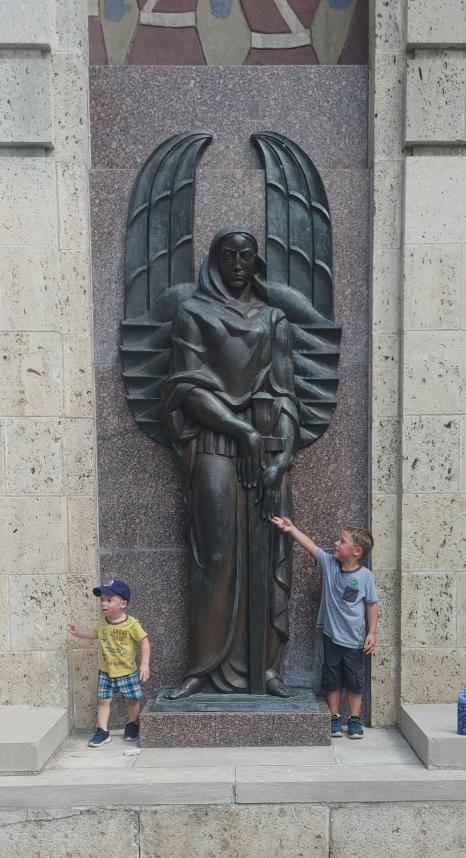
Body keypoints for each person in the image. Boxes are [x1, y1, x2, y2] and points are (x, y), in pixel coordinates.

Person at [160, 226, 300, 698]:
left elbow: (285, 395)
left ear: (255, 262)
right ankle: (201, 667)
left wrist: (279, 456)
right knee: (214, 556)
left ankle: (266, 668)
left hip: (265, 450)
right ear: (215, 260)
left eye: (246, 255)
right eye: (228, 254)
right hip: (216, 447)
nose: (237, 263)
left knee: (268, 553)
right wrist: (239, 431)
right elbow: (187, 388)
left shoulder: (274, 319)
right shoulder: (192, 313)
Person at [271, 519, 378, 738]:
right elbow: (310, 545)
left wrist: (372, 632)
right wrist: (291, 529)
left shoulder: (365, 577)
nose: (335, 544)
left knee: (355, 681)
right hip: (331, 638)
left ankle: (355, 719)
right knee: (332, 679)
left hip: (355, 641)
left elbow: (371, 604)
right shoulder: (329, 564)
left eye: (342, 541)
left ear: (356, 551)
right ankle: (334, 716)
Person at [68, 579, 150, 747]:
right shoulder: (102, 621)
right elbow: (95, 634)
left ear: (123, 603)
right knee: (103, 701)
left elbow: (145, 641)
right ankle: (102, 731)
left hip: (127, 671)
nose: (103, 604)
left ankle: (132, 723)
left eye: (109, 600)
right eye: (102, 600)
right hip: (106, 671)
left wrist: (144, 664)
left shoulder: (131, 624)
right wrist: (78, 633)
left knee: (132, 700)